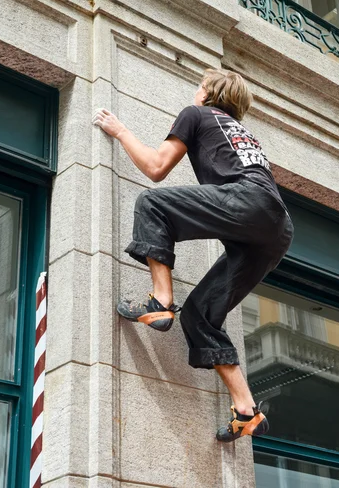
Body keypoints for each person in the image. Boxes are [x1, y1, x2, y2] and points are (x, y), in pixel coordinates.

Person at [92, 68, 294, 442]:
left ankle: (161, 301)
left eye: (199, 85)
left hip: (247, 203)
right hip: (277, 229)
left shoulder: (196, 113)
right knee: (201, 314)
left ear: (207, 93)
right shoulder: (242, 133)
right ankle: (246, 410)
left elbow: (156, 168)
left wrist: (120, 130)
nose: (195, 90)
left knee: (153, 204)